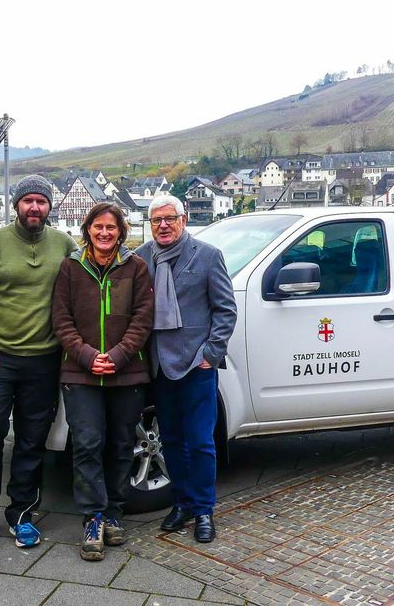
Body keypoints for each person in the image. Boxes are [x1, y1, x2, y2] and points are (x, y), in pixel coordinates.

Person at [0, 175, 77, 548]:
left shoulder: (63, 244)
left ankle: (22, 514)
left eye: (41, 202)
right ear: (16, 205)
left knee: (32, 441)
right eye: (28, 200)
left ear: (49, 207)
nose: (34, 207)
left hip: (44, 361)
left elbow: (89, 278)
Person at [52, 202, 154, 561]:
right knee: (88, 444)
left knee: (121, 445)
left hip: (127, 372)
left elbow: (143, 318)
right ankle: (93, 517)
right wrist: (86, 355)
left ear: (121, 232)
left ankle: (113, 513)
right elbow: (61, 319)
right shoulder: (70, 268)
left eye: (111, 228)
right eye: (98, 227)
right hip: (80, 372)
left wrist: (119, 356)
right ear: (88, 230)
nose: (105, 233)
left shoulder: (136, 268)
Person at [135, 195, 237, 544]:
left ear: (184, 218)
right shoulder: (140, 259)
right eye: (156, 220)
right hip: (159, 366)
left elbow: (225, 310)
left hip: (197, 364)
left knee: (201, 441)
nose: (163, 225)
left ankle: (205, 510)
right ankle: (182, 503)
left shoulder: (208, 256)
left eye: (170, 218)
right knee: (173, 442)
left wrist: (211, 352)